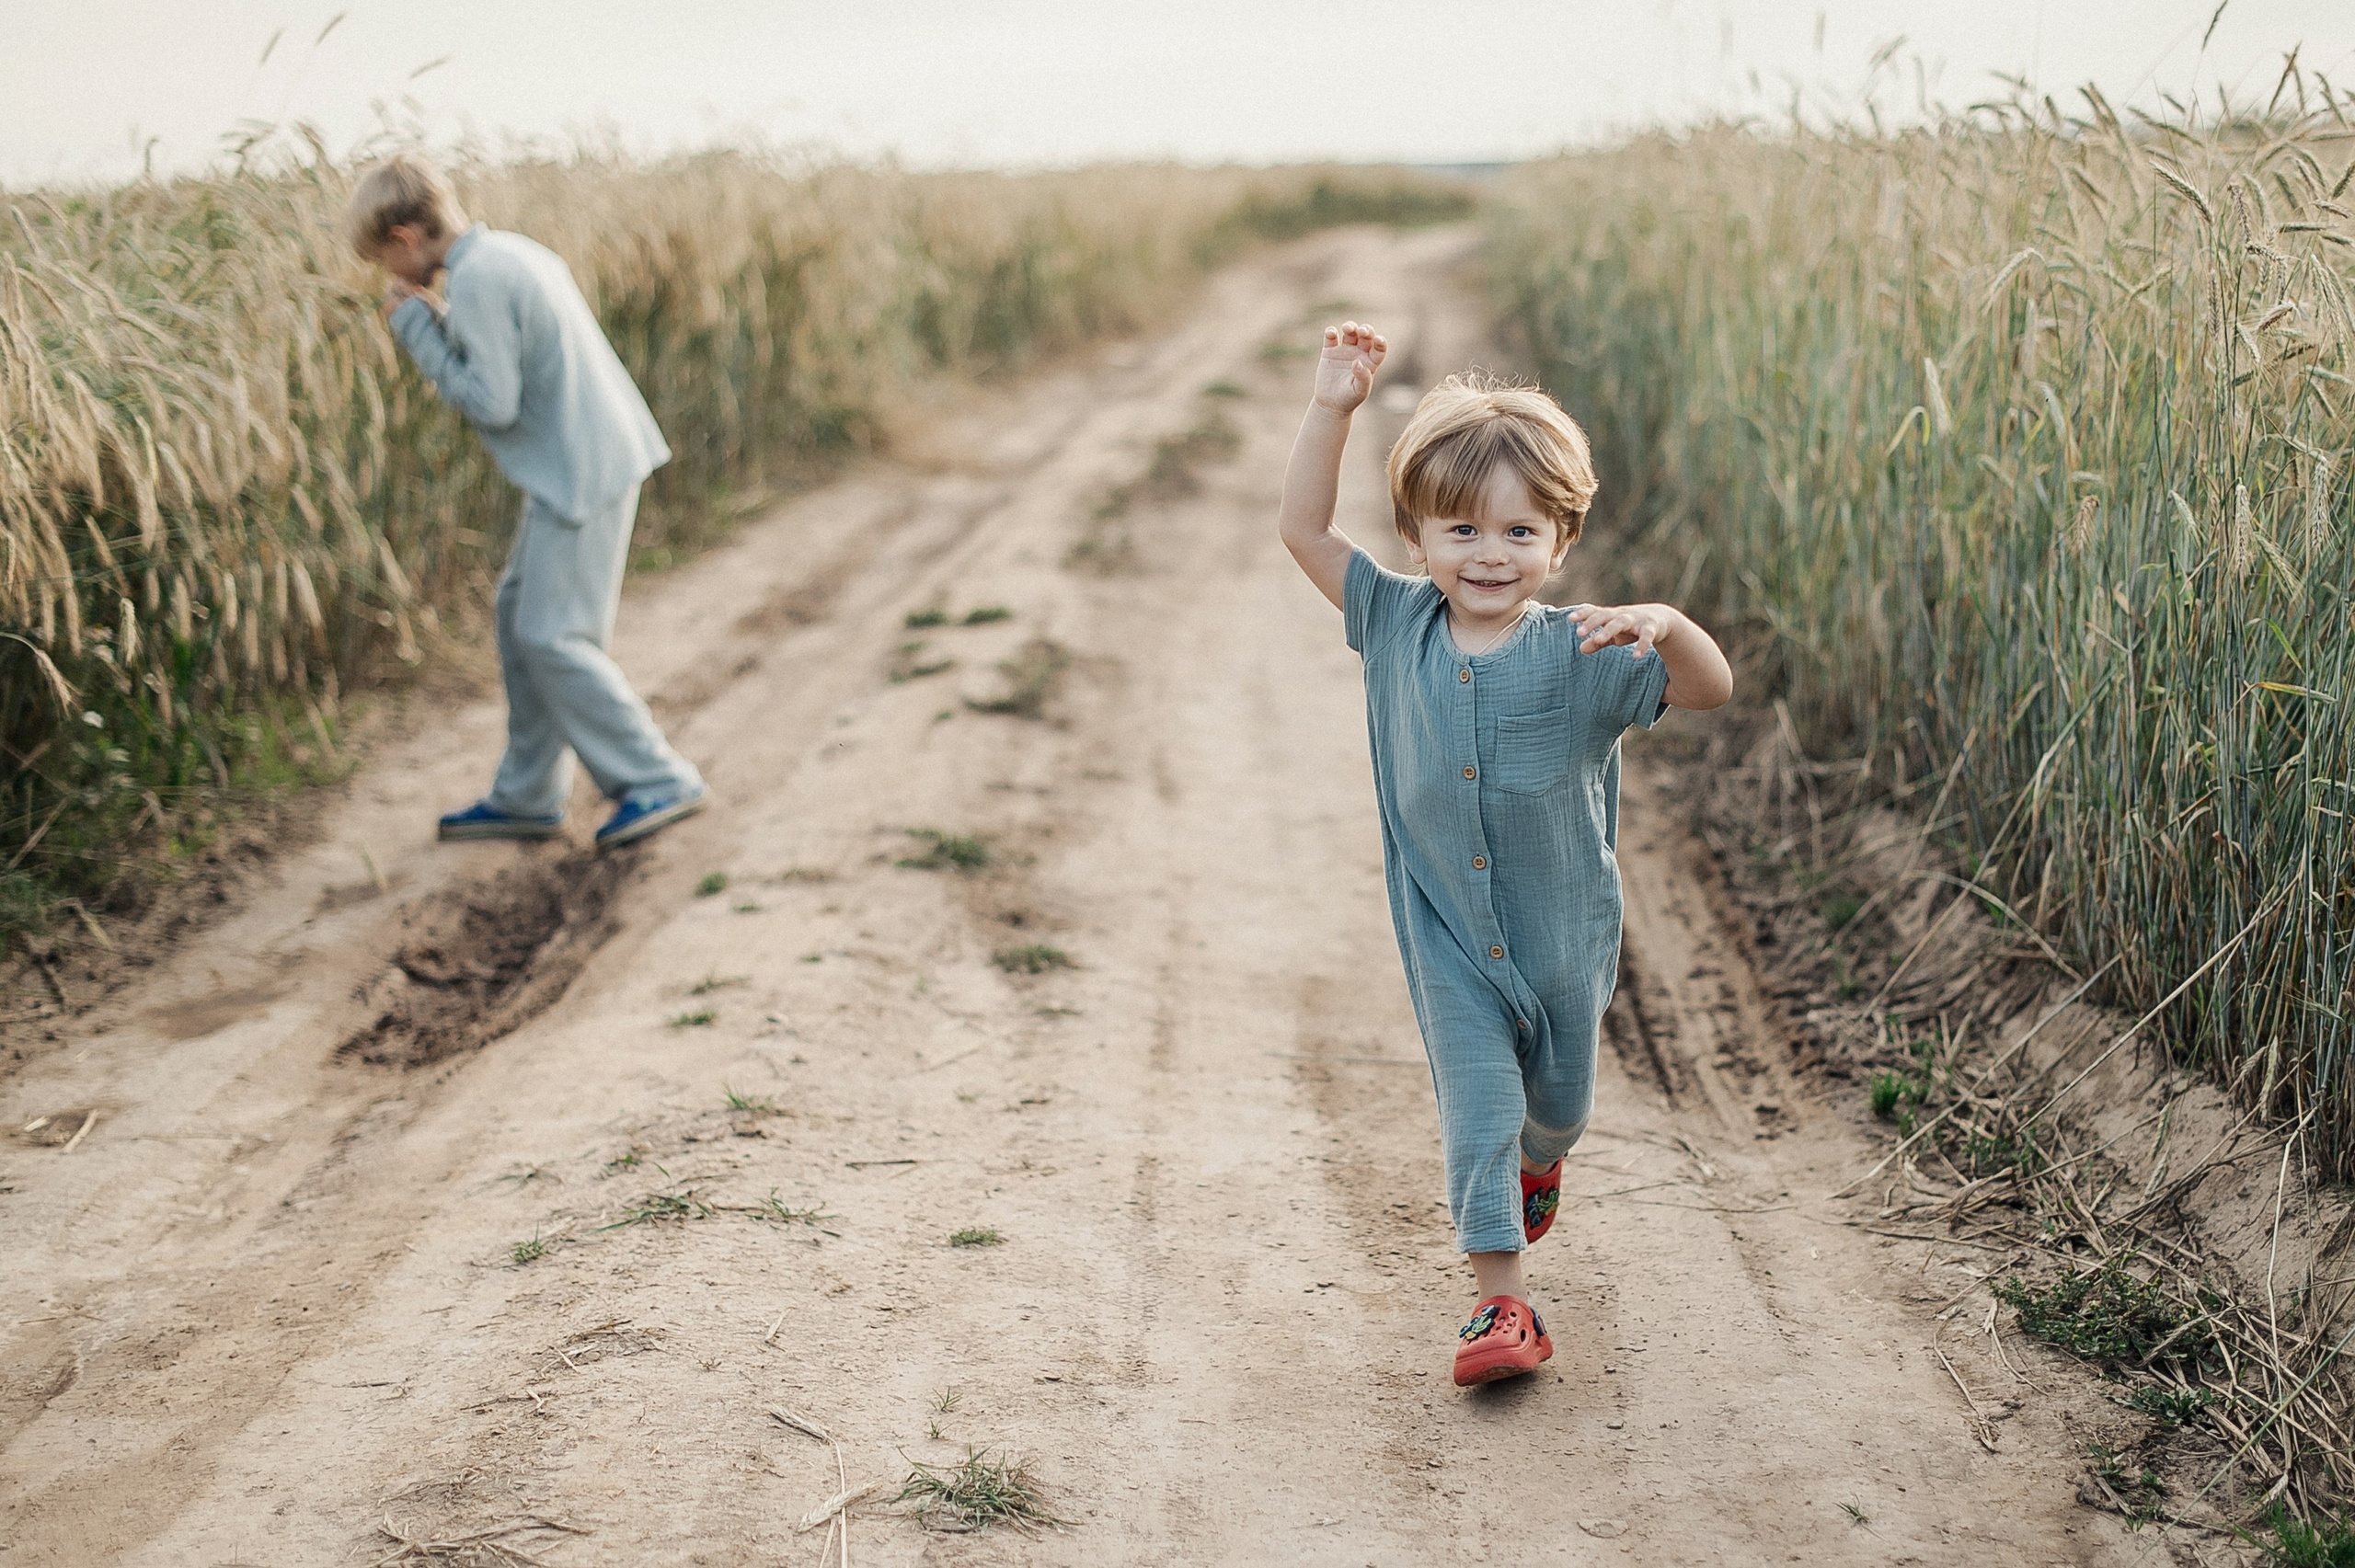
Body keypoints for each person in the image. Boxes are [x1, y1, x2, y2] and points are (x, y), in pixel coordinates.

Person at [1277, 323, 1733, 1387]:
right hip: (1445, 932)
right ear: (1417, 537)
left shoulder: (1590, 647)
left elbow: (1709, 690)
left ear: (1559, 543)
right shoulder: (1391, 620)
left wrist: (1666, 623)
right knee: (1477, 1102)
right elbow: (1302, 529)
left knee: (1554, 1106)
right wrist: (1333, 406)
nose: (1490, 554)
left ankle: (1543, 1159)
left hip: (1563, 933)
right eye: (1460, 530)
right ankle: (1502, 1302)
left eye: (1519, 532)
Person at [346, 154, 709, 850]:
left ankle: (659, 777)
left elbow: (493, 402)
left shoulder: (479, 278)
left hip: (580, 471)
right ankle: (529, 794)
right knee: (519, 619)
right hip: (589, 458)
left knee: (553, 636)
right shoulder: (510, 254)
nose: (388, 276)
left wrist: (417, 328)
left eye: (382, 259)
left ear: (402, 235)